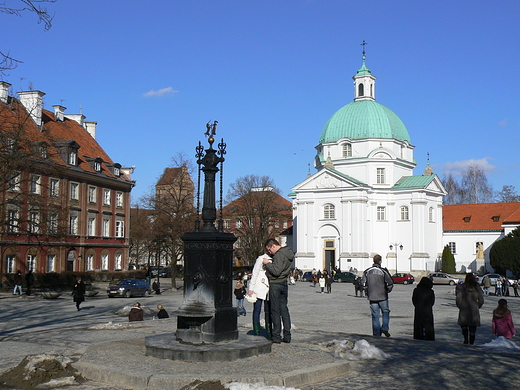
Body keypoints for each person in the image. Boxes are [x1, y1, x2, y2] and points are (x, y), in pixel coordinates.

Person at [263, 238, 294, 344]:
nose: (269, 252)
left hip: (276, 284)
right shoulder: (288, 253)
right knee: (284, 310)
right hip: (284, 283)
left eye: (269, 250)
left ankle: (276, 336)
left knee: (275, 311)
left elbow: (276, 271)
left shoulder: (279, 255)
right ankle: (287, 335)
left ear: (273, 246)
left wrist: (267, 263)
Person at [362, 254, 393, 337]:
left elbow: (363, 284)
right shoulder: (383, 271)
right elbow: (390, 283)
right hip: (382, 296)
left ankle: (376, 334)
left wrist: (367, 291)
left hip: (372, 296)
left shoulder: (367, 271)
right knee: (385, 312)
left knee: (375, 315)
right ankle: (385, 327)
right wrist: (387, 290)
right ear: (380, 261)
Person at [456, 273, 484, 345]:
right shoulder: (477, 287)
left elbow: (458, 298)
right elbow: (481, 299)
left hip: (464, 308)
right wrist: (477, 306)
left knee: (464, 326)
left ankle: (465, 339)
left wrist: (460, 305)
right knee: (473, 328)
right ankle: (471, 342)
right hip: (474, 309)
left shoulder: (463, 287)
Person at [249, 253, 272, 338]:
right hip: (259, 287)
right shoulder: (261, 258)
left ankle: (269, 332)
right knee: (257, 310)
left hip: (269, 288)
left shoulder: (275, 258)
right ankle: (257, 331)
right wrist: (251, 288)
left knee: (268, 311)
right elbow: (255, 273)